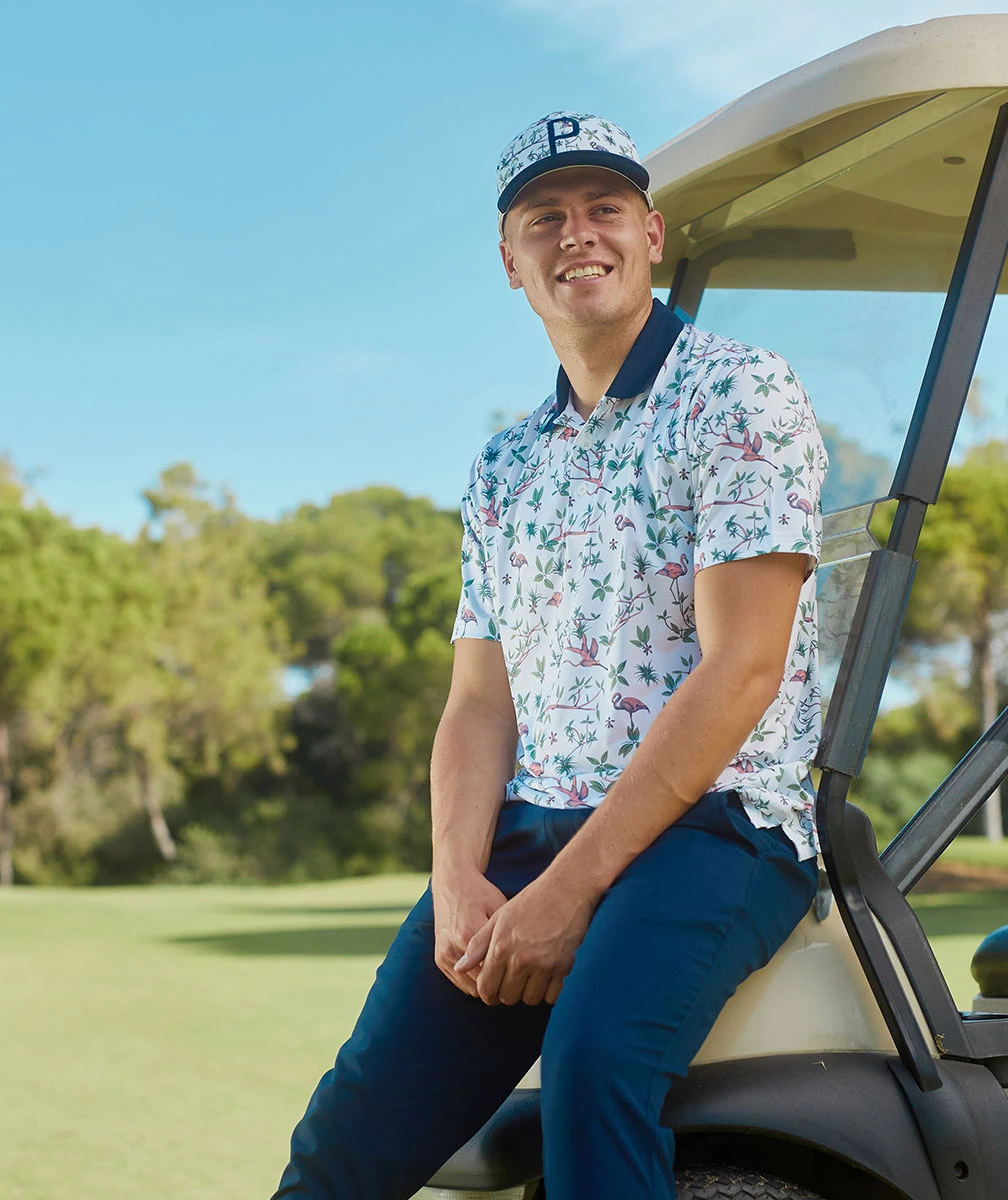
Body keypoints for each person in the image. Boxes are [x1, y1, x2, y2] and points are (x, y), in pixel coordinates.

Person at [273, 111, 828, 1200]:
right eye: (546, 218)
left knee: (594, 1070)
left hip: (718, 827)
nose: (578, 234)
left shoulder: (739, 394)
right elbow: (479, 704)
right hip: (530, 827)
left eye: (604, 208)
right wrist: (455, 881)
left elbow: (744, 671)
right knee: (351, 1127)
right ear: (510, 260)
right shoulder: (504, 465)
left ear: (650, 234)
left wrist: (570, 893)